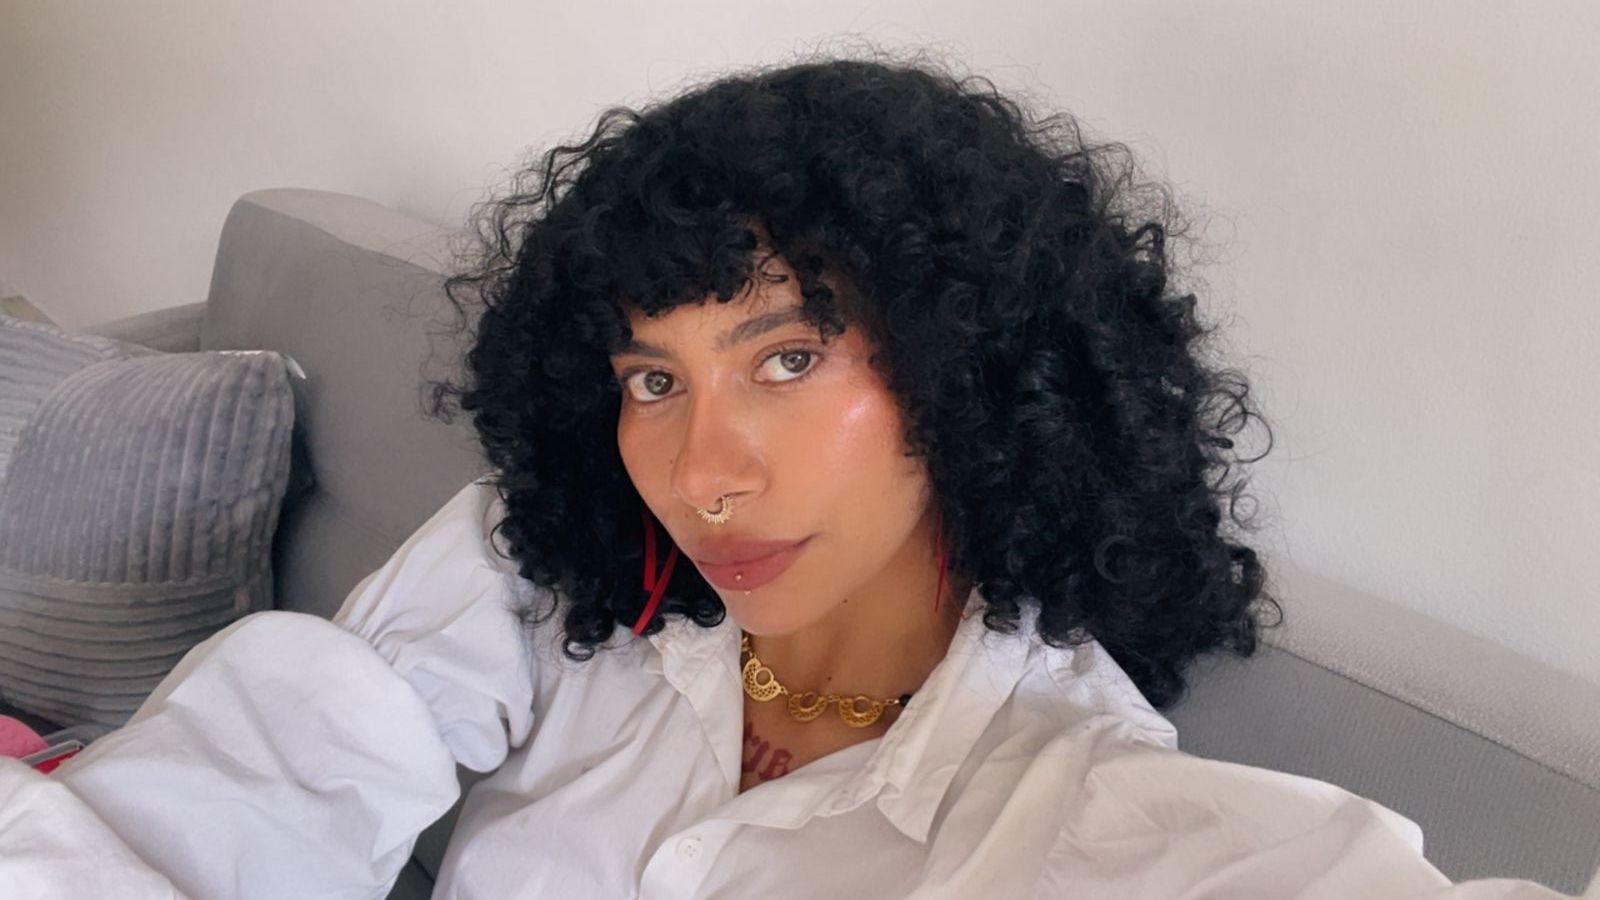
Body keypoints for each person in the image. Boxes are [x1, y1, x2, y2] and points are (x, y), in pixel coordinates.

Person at [0, 52, 1588, 900]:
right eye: (651, 380)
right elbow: (269, 771)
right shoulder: (556, 570)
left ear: (971, 367)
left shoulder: (1069, 803)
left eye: (786, 358)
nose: (702, 472)